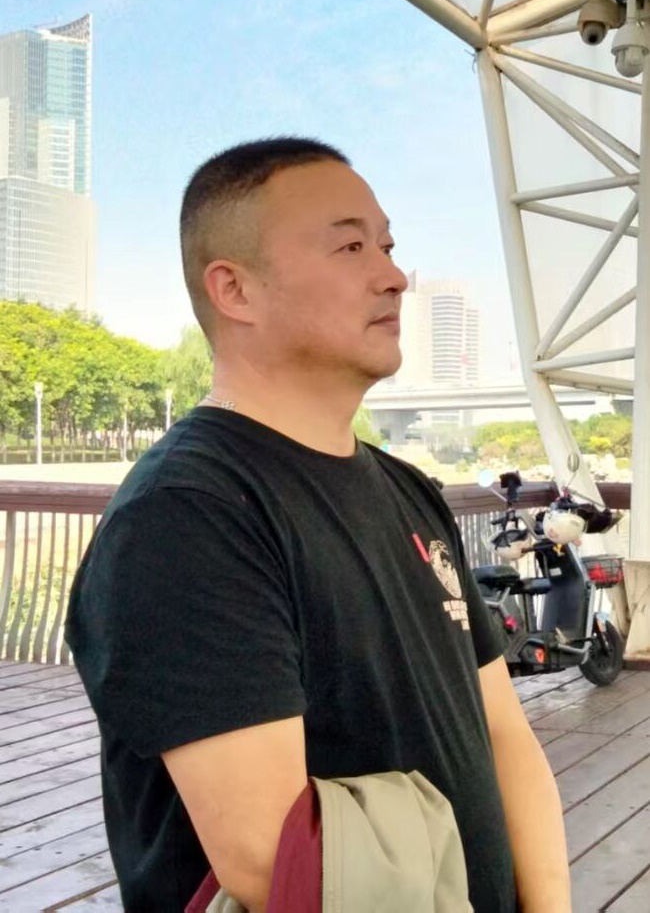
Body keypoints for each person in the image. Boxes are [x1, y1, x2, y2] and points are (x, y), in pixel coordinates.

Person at [66, 137, 571, 913]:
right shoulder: (187, 514)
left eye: (388, 247)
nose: (394, 276)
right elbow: (274, 858)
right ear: (235, 289)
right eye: (350, 246)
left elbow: (502, 736)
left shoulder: (408, 489)